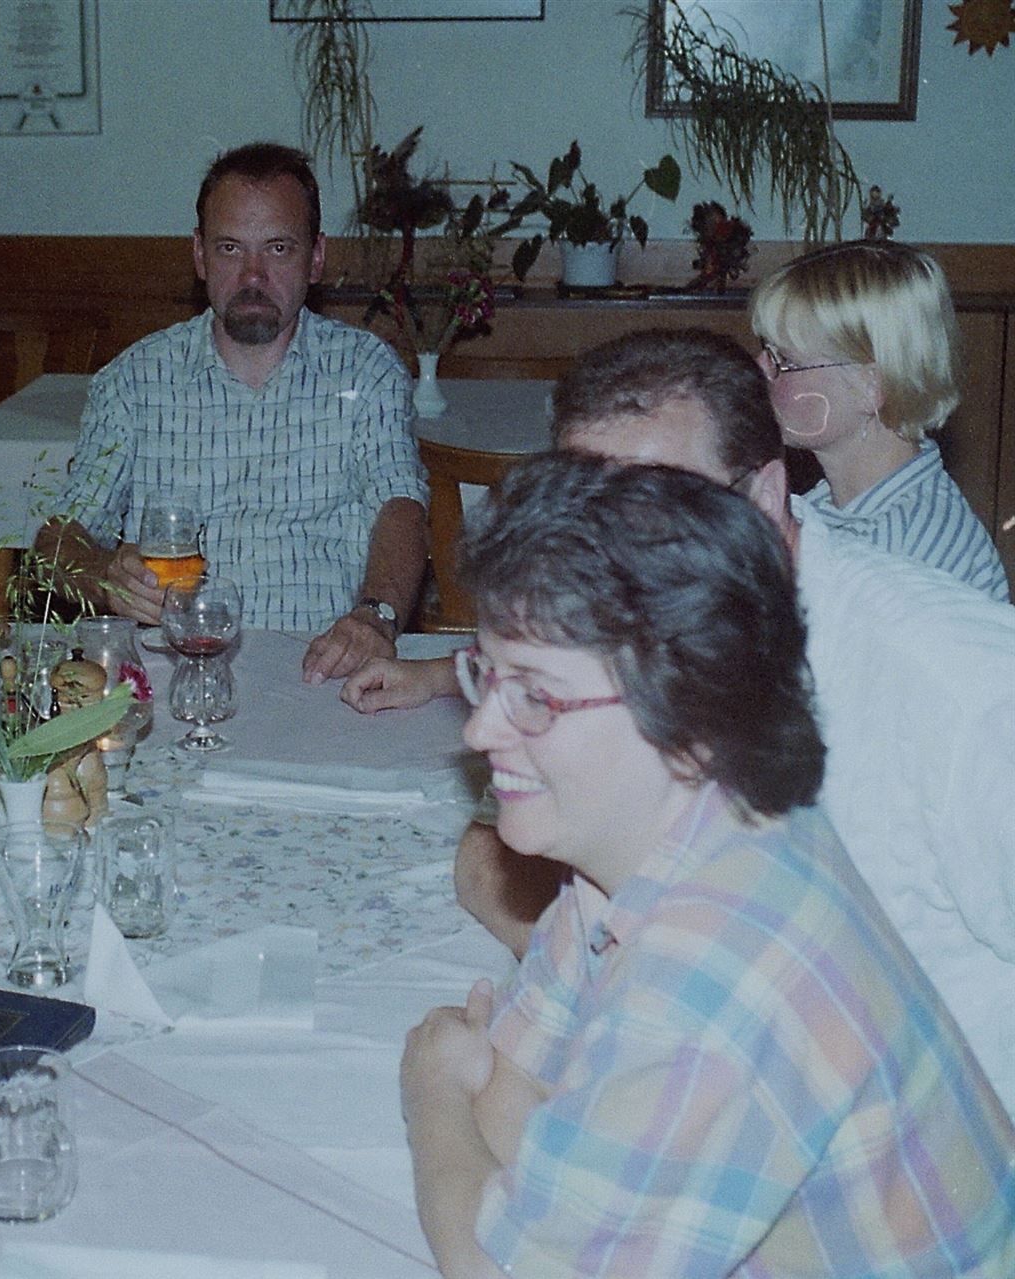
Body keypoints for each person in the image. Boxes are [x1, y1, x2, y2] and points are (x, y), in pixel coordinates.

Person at [368, 328, 1015, 1110]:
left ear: (764, 501)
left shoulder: (959, 686)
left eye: (656, 514)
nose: (608, 561)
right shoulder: (630, 654)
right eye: (587, 519)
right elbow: (489, 857)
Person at [404, 452, 1015, 1277]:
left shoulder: (715, 965)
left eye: (536, 695)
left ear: (687, 715)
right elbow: (515, 1105)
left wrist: (432, 1094)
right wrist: (474, 1113)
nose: (479, 731)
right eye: (487, 675)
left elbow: (500, 1259)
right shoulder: (642, 845)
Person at [33, 141, 428, 682]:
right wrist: (103, 573)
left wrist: (376, 615)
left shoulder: (367, 371)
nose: (252, 276)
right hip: (171, 674)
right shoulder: (134, 381)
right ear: (199, 256)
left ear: (316, 258)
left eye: (278, 249)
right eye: (230, 249)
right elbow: (57, 543)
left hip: (324, 667)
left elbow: (401, 505)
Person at [750, 240, 1006, 600]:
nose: (759, 369)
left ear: (871, 387)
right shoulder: (831, 507)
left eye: (784, 360)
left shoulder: (904, 549)